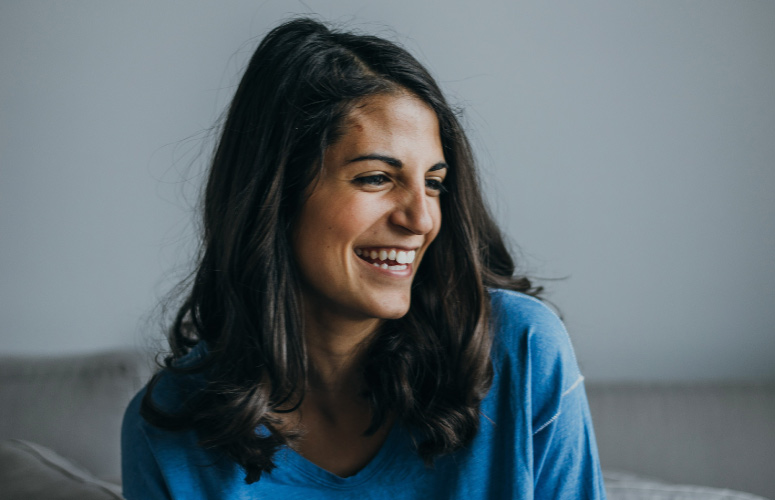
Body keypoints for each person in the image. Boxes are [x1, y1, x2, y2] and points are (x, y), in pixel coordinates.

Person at [121, 17, 607, 499]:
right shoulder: (168, 427)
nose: (421, 220)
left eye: (434, 183)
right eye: (376, 178)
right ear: (276, 196)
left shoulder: (520, 351)